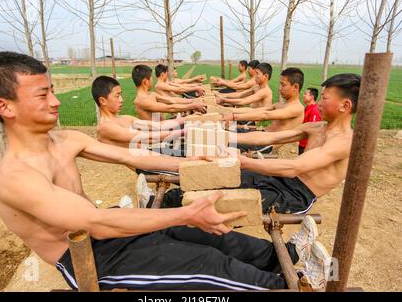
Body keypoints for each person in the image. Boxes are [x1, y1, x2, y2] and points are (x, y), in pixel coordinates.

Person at [0, 51, 331, 291]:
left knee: (212, 239)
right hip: (93, 257)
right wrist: (186, 214)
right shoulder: (15, 177)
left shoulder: (65, 140)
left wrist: (188, 164)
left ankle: (290, 261)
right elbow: (96, 223)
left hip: (111, 226)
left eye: (52, 91)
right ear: (4, 106)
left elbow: (138, 159)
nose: (55, 101)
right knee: (205, 262)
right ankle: (287, 287)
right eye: (42, 95)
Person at [154, 73, 359, 215]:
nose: (318, 102)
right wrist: (224, 137)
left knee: (220, 200)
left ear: (345, 105)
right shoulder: (316, 128)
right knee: (216, 178)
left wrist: (243, 161)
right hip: (277, 178)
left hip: (295, 195)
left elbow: (293, 167)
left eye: (324, 98)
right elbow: (268, 138)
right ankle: (158, 203)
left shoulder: (345, 142)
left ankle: (168, 213)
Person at [224, 68, 305, 154]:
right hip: (261, 135)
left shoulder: (297, 108)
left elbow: (265, 115)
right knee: (225, 132)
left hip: (267, 145)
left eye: (283, 85)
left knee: (224, 142)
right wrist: (228, 111)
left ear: (295, 87)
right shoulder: (280, 104)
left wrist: (234, 117)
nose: (279, 88)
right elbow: (256, 110)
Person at [93, 75, 185, 148]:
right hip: (147, 166)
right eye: (117, 96)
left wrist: (186, 120)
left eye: (121, 95)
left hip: (153, 157)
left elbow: (158, 126)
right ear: (103, 101)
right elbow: (146, 137)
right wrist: (183, 132)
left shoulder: (126, 118)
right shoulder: (105, 128)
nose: (121, 100)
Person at [133, 65, 206, 121]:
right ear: (145, 82)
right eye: (151, 77)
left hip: (164, 127)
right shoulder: (141, 100)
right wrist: (192, 106)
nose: (153, 79)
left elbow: (173, 100)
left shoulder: (152, 94)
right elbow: (170, 108)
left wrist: (194, 101)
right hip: (157, 137)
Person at [299, 88, 322, 155]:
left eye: (305, 94)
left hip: (306, 145)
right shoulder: (307, 108)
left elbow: (313, 130)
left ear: (311, 97)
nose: (303, 95)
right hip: (302, 142)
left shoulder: (314, 111)